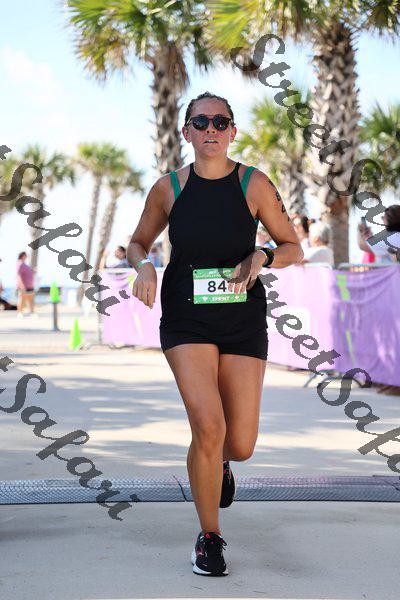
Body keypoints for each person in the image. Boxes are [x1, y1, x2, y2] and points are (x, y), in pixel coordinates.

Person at [127, 91, 303, 576]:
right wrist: (145, 266)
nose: (211, 129)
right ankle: (209, 537)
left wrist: (263, 255)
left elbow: (293, 246)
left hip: (242, 318)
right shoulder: (168, 188)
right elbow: (137, 241)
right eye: (201, 122)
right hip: (186, 318)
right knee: (208, 426)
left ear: (232, 131)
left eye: (220, 122)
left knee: (239, 443)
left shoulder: (254, 183)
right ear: (186, 131)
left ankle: (220, 463)